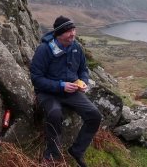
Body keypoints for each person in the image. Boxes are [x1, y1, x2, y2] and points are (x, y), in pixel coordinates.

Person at [30, 16, 102, 167]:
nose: (73, 34)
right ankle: (52, 155)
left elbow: (83, 70)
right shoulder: (44, 50)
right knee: (55, 113)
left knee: (95, 115)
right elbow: (36, 79)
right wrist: (61, 86)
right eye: (68, 31)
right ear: (59, 34)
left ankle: (77, 150)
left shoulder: (76, 48)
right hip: (48, 92)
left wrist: (83, 82)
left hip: (71, 91)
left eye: (73, 30)